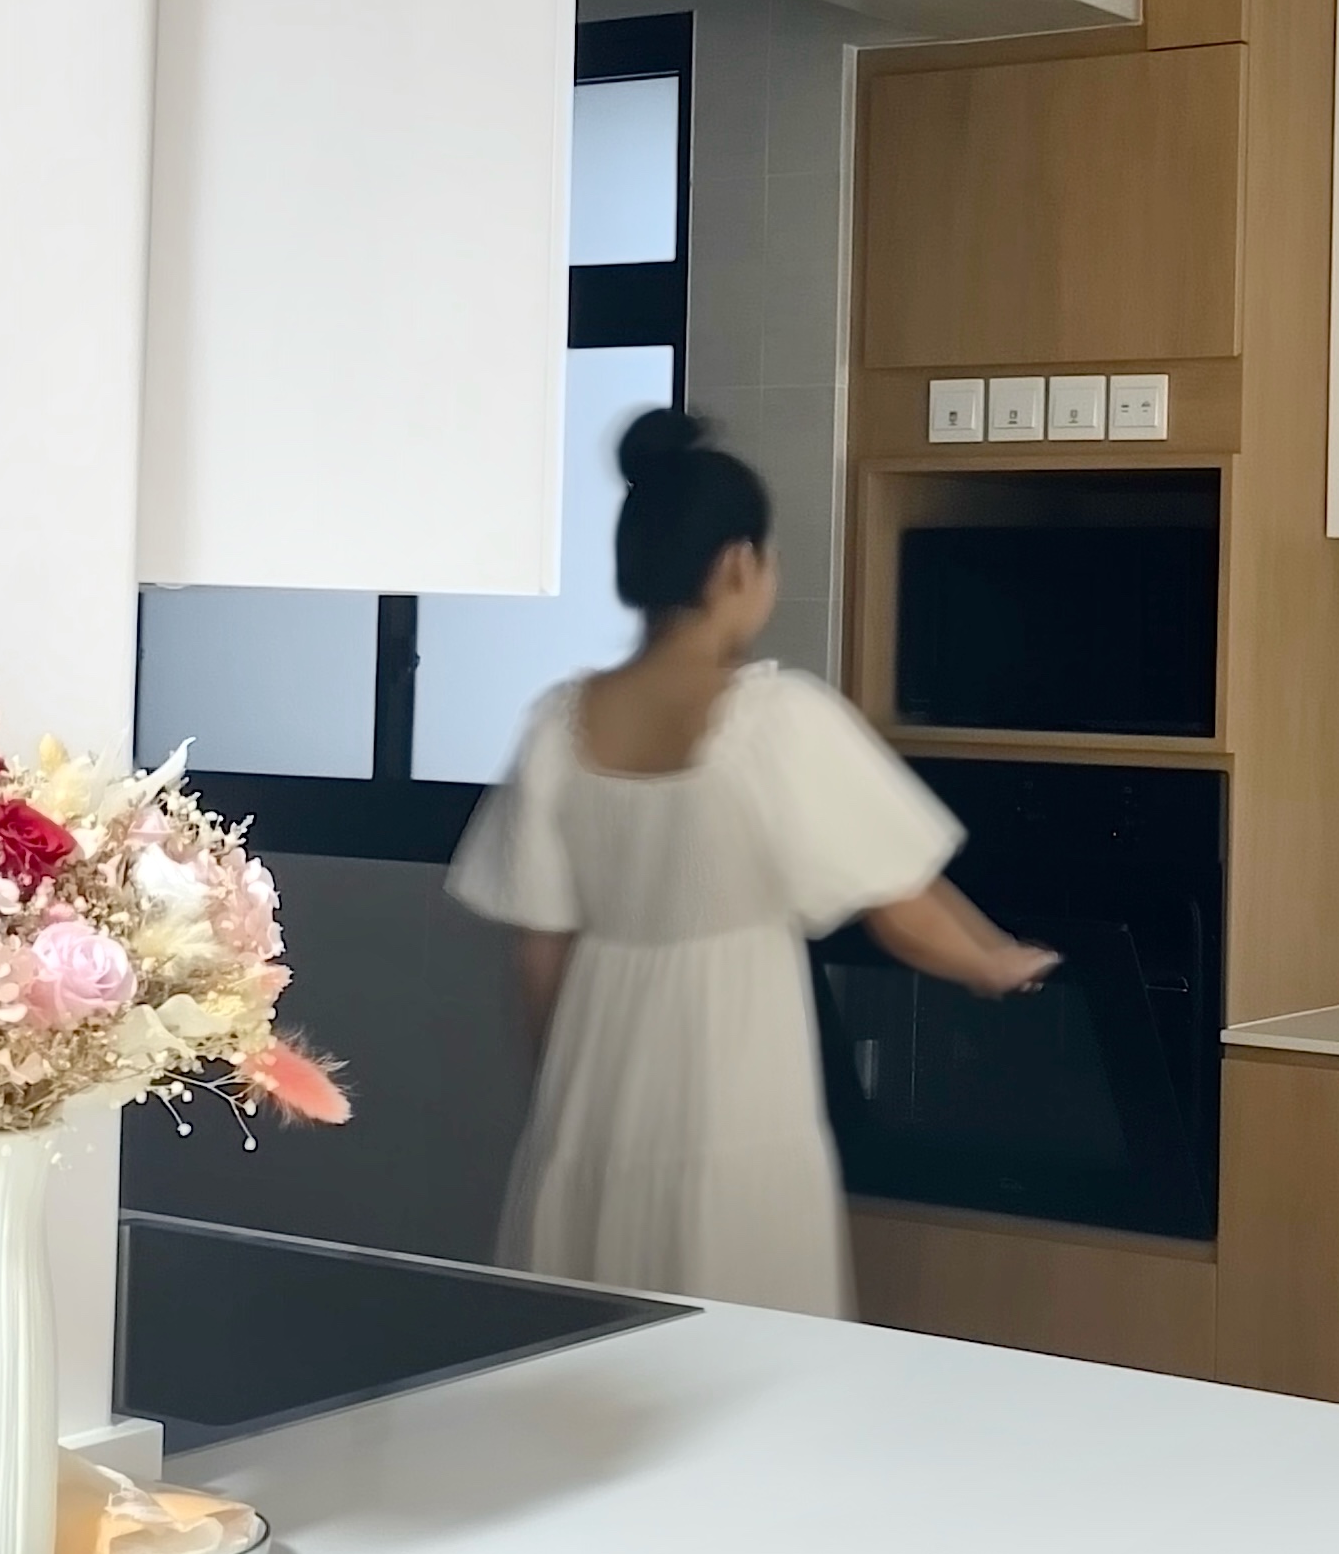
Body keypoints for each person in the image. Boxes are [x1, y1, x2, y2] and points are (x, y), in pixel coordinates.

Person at [450, 409, 1054, 1312]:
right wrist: (993, 962)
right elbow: (902, 901)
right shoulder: (779, 720)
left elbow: (538, 951)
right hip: (730, 1059)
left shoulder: (555, 725)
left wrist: (563, 1086)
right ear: (739, 565)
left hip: (597, 1064)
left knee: (591, 1323)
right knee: (734, 1298)